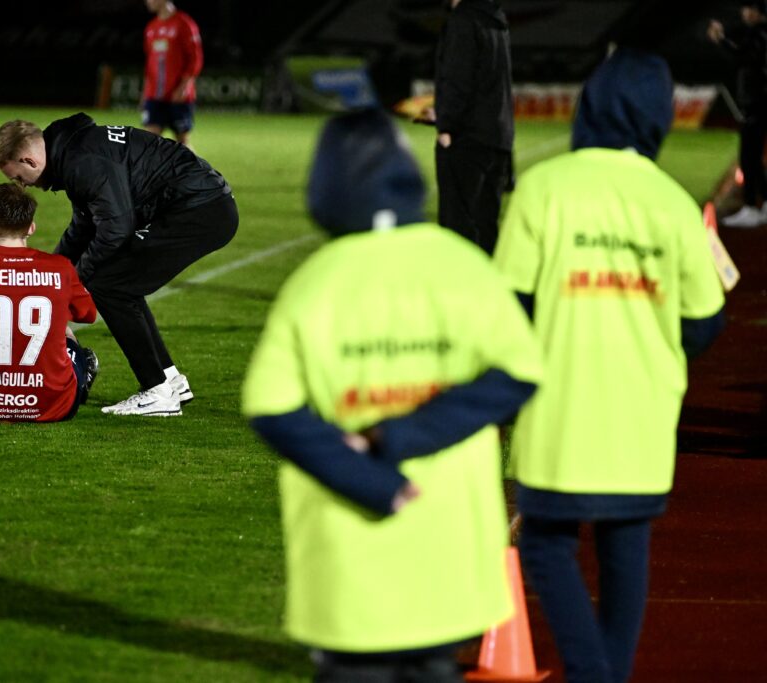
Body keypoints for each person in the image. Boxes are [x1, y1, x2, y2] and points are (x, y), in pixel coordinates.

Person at [242, 108, 543, 683]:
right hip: (449, 552)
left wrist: (374, 477)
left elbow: (271, 408)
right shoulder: (461, 264)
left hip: (349, 562)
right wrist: (406, 435)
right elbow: (520, 372)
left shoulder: (315, 282)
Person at [492, 48, 726, 683]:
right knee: (627, 550)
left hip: (558, 410)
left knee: (545, 543)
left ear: (590, 104)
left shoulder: (544, 187)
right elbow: (706, 320)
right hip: (643, 415)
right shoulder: (674, 203)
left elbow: (508, 307)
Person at [0, 114, 237, 416]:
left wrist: (74, 281)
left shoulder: (80, 161)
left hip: (199, 210)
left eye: (17, 177)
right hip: (199, 204)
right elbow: (84, 225)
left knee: (110, 286)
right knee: (119, 284)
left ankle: (157, 391)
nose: (21, 185)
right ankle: (169, 379)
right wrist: (52, 277)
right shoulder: (70, 151)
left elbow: (116, 227)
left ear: (28, 160)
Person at [0, 183, 100, 422]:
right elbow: (87, 315)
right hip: (57, 407)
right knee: (62, 326)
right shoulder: (59, 268)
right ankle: (79, 375)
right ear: (31, 228)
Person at [429, 0, 514, 254]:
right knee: (486, 228)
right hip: (497, 137)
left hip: (466, 139)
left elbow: (458, 78)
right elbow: (492, 83)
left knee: (458, 230)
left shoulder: (463, 20)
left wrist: (446, 126)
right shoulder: (496, 18)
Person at [709, 1, 767, 228]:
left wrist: (721, 39)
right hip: (759, 102)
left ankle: (752, 206)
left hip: (758, 103)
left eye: (747, 8)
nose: (743, 12)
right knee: (754, 155)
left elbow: (743, 56)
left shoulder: (759, 34)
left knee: (749, 155)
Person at [142, 0, 203, 147]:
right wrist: (145, 92)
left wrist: (184, 87)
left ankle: (191, 170)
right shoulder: (151, 28)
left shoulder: (184, 23)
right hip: (155, 95)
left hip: (178, 96)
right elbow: (150, 63)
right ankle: (153, 170)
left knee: (182, 144)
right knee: (149, 142)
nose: (147, 2)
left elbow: (195, 59)